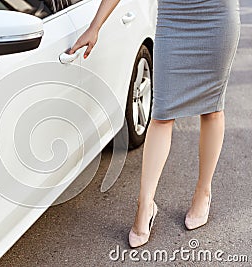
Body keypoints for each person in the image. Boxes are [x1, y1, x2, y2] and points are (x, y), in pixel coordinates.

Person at [69, 0, 240, 247]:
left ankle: (203, 192)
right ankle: (145, 203)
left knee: (212, 109)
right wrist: (96, 26)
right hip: (174, 19)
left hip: (218, 16)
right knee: (162, 113)